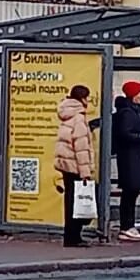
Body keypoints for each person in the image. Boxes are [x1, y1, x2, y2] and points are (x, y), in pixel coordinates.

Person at [113, 80, 140, 242]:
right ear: (133, 95)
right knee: (130, 193)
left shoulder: (133, 111)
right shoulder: (128, 113)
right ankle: (126, 226)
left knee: (132, 193)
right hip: (131, 159)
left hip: (135, 158)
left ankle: (128, 226)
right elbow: (125, 135)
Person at [54, 85, 95, 248]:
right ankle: (73, 237)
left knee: (70, 200)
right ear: (83, 98)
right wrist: (85, 172)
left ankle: (70, 236)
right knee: (76, 202)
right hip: (75, 165)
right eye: (88, 98)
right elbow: (81, 147)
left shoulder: (67, 113)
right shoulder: (78, 117)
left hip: (66, 164)